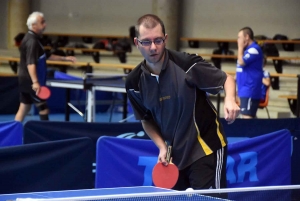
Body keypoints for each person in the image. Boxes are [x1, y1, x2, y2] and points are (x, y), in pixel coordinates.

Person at [125, 14, 240, 191]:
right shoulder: (134, 83)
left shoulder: (186, 64)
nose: (153, 47)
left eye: (158, 40)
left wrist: (230, 100)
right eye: (146, 42)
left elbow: (226, 79)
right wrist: (162, 147)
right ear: (137, 42)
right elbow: (146, 119)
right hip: (174, 156)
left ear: (166, 39)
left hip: (206, 147)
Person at [15, 11, 76, 122]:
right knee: (44, 109)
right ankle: (44, 136)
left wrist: (65, 58)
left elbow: (46, 55)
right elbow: (30, 63)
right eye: (42, 22)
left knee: (24, 107)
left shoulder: (34, 38)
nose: (45, 25)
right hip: (31, 82)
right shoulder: (32, 41)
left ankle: (13, 134)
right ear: (34, 25)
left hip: (25, 80)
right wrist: (35, 82)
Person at [236, 27, 263, 119]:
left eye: (239, 37)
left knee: (247, 117)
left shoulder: (254, 49)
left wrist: (240, 47)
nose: (238, 40)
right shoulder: (247, 51)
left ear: (247, 37)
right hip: (243, 90)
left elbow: (241, 62)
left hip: (250, 89)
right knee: (250, 118)